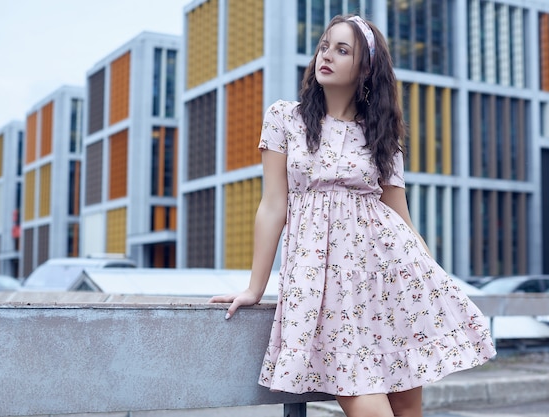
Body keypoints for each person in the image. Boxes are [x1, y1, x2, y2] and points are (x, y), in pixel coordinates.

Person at [209, 14, 496, 417]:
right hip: (325, 289)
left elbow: (402, 221)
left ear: (365, 70)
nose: (325, 55)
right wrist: (255, 289)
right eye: (324, 46)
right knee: (373, 411)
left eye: (342, 50)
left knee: (407, 409)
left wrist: (435, 285)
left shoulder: (382, 136)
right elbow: (272, 206)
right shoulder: (285, 119)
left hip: (388, 283)